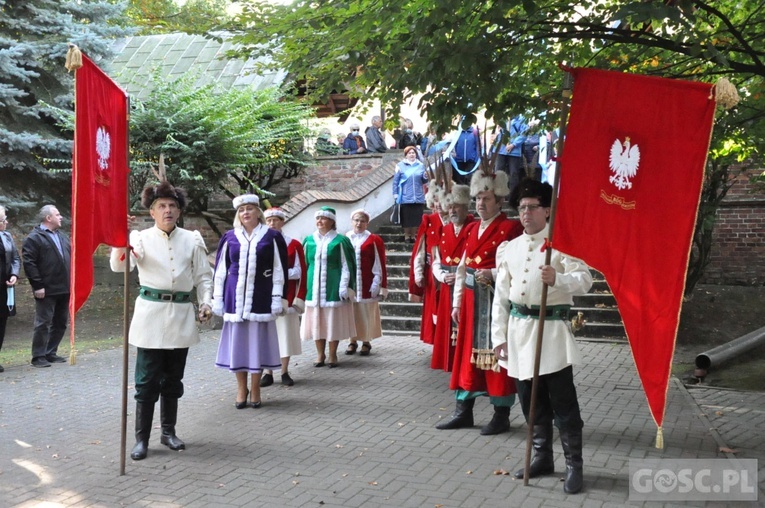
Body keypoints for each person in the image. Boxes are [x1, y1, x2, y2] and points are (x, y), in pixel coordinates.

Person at [491, 179, 592, 494]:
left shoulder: (562, 243)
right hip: (520, 334)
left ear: (547, 210)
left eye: (532, 207)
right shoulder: (510, 248)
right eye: (521, 208)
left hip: (551, 335)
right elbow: (502, 297)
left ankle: (574, 465)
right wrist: (498, 337)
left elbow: (585, 279)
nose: (525, 213)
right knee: (529, 403)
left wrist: (559, 280)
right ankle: (542, 457)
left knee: (563, 404)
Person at [109, 180, 213, 461]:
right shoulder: (139, 238)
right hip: (150, 318)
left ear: (179, 211)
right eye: (161, 206)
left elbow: (203, 276)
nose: (167, 210)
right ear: (152, 212)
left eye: (172, 206)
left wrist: (206, 302)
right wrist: (121, 237)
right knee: (146, 382)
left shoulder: (192, 239)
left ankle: (168, 432)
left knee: (173, 379)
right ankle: (141, 439)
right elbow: (120, 265)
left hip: (180, 316)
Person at [435, 170, 524, 435]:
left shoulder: (511, 228)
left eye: (486, 199)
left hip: (496, 302)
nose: (480, 204)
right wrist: (457, 304)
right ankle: (463, 411)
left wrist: (493, 274)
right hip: (472, 303)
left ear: (499, 201)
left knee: (497, 359)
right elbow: (463, 268)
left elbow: (517, 267)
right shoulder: (472, 228)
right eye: (478, 199)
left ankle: (501, 414)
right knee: (466, 360)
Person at [212, 195, 288, 408]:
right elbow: (220, 271)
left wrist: (278, 297)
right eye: (242, 210)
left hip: (260, 298)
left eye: (249, 209)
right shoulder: (229, 237)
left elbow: (279, 269)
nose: (245, 213)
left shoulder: (272, 236)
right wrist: (217, 298)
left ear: (257, 212)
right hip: (234, 300)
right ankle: (240, 388)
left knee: (256, 346)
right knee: (239, 347)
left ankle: (255, 388)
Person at [300, 206, 357, 368]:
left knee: (332, 321)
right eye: (318, 218)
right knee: (317, 321)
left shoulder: (341, 241)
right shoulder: (309, 240)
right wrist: (302, 287)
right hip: (313, 287)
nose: (320, 221)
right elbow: (304, 265)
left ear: (332, 221)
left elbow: (347, 265)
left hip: (333, 285)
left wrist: (345, 286)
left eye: (323, 218)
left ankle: (333, 354)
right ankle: (320, 354)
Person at [429, 185, 475, 371]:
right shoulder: (444, 230)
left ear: (466, 208)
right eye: (450, 207)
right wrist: (441, 276)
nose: (453, 210)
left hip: (465, 286)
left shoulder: (473, 228)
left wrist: (459, 276)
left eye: (457, 206)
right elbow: (435, 260)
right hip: (447, 286)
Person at [260, 207, 306, 388]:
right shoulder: (261, 243)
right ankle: (267, 371)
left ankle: (284, 371)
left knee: (285, 334)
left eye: (275, 220)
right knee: (267, 334)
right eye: (269, 220)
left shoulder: (293, 244)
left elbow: (300, 271)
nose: (272, 223)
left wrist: (279, 273)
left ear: (282, 222)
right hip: (264, 296)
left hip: (286, 296)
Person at [22, 204, 71, 368]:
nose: (61, 217)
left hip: (64, 287)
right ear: (48, 218)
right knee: (43, 323)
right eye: (57, 214)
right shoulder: (34, 238)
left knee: (61, 322)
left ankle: (51, 352)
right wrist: (38, 285)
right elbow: (29, 263)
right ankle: (38, 356)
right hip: (46, 289)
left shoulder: (62, 236)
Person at [345, 209, 387, 356]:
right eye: (356, 220)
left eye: (362, 221)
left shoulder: (374, 239)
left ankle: (366, 341)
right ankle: (352, 340)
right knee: (351, 312)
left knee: (365, 312)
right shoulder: (346, 238)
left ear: (367, 223)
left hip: (367, 280)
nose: (359, 223)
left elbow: (378, 261)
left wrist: (377, 281)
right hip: (350, 281)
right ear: (352, 222)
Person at [408, 185, 446, 345]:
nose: (438, 204)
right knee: (434, 309)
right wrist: (418, 273)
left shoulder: (457, 220)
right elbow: (420, 249)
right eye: (435, 200)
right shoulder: (429, 220)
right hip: (432, 275)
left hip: (451, 272)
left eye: (442, 200)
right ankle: (437, 343)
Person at [392, 145, 428, 243]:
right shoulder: (400, 166)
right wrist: (395, 193)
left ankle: (413, 235)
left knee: (416, 218)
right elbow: (396, 181)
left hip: (418, 196)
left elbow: (425, 181)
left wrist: (426, 176)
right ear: (406, 155)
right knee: (406, 218)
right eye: (409, 153)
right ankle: (407, 236)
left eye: (413, 153)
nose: (412, 155)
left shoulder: (421, 165)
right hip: (405, 196)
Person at [0, 206, 20, 373]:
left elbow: (15, 258)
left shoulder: (7, 236)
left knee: (1, 322)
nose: (6, 222)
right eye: (3, 220)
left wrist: (14, 274)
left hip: (4, 287)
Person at [494, 115, 527, 196]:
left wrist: (514, 144)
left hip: (514, 151)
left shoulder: (521, 119)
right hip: (501, 149)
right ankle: (498, 194)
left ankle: (513, 195)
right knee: (498, 172)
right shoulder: (502, 117)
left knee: (514, 173)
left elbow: (524, 134)